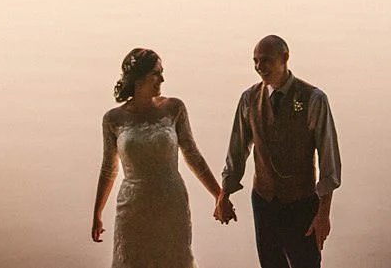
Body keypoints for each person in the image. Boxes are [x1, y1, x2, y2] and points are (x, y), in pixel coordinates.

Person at [215, 34, 341, 268]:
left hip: (301, 203)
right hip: (264, 201)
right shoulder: (248, 98)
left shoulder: (314, 99)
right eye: (255, 61)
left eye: (265, 60)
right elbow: (237, 150)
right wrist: (225, 194)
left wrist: (323, 214)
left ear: (285, 58)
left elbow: (328, 160)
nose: (259, 67)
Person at [92, 48, 222, 268]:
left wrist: (219, 195)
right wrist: (97, 213)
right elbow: (108, 168)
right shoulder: (113, 119)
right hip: (133, 206)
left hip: (171, 201)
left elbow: (193, 156)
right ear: (139, 78)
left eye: (162, 72)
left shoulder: (174, 108)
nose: (162, 78)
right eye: (156, 73)